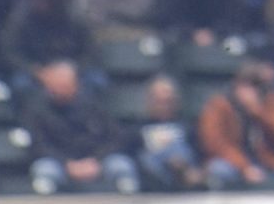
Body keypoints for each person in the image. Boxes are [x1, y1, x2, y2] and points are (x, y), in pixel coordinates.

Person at [22, 60, 139, 195]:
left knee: (121, 166)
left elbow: (115, 137)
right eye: (57, 85)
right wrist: (67, 164)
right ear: (48, 86)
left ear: (76, 85)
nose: (61, 89)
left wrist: (96, 160)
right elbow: (39, 144)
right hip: (60, 162)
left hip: (96, 161)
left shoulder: (94, 106)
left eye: (65, 85)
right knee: (44, 170)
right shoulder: (37, 110)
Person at [197, 61, 274, 190]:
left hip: (270, 163)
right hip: (235, 164)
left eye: (255, 85)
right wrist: (245, 167)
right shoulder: (218, 105)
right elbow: (215, 144)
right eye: (246, 85)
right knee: (219, 170)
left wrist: (258, 112)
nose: (250, 91)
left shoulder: (272, 102)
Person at [136, 75, 204, 191]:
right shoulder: (138, 128)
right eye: (160, 102)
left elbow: (198, 152)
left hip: (184, 166)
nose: (164, 106)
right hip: (154, 172)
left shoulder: (187, 126)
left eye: (168, 101)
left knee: (180, 150)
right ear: (150, 102)